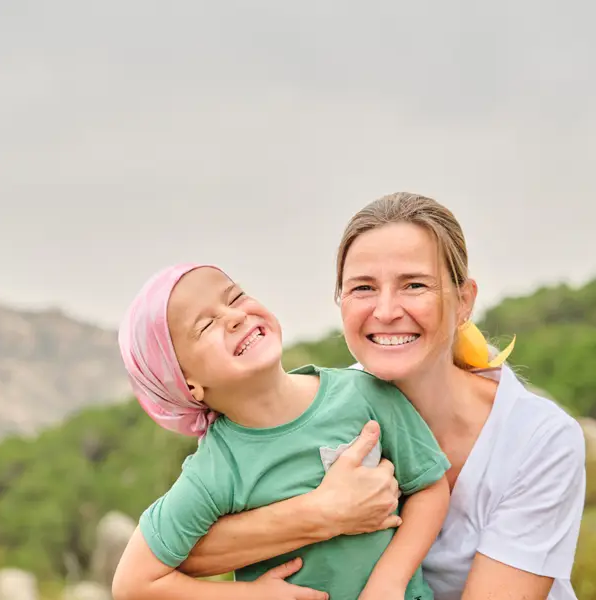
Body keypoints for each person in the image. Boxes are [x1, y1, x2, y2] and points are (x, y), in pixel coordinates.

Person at [180, 193, 587, 600]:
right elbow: (179, 551)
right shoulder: (318, 405)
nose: (387, 310)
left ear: (463, 301)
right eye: (363, 288)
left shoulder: (540, 439)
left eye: (414, 285)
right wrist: (322, 513)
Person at [111, 262, 451, 600]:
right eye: (206, 324)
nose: (234, 316)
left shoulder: (365, 393)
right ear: (187, 384)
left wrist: (388, 583)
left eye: (235, 297)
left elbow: (429, 488)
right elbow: (134, 583)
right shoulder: (215, 468)